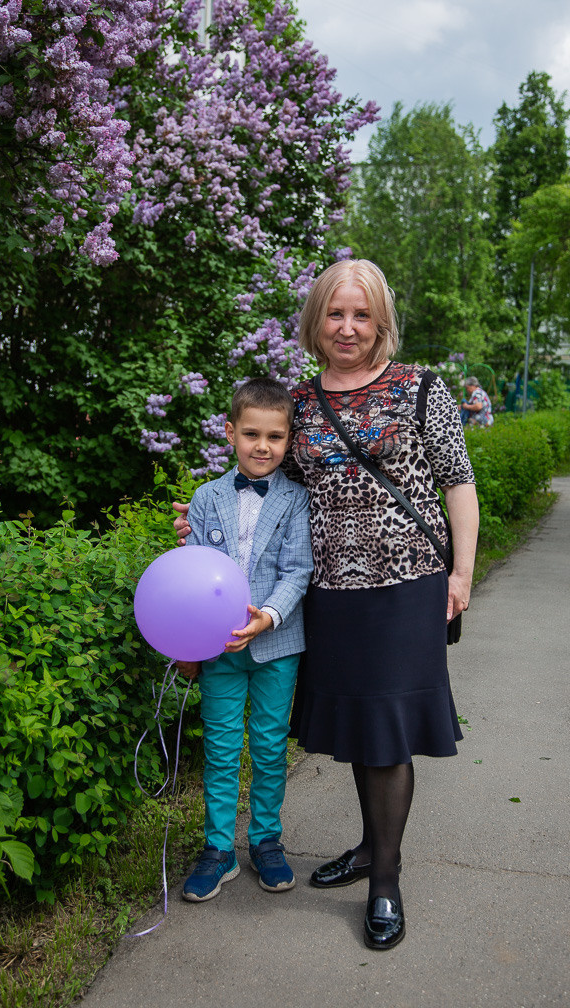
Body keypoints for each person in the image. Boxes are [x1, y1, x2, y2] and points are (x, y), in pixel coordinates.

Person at [175, 259, 479, 951]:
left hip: (406, 584)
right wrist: (201, 518)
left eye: (361, 315)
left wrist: (461, 572)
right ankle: (370, 848)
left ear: (380, 322)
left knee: (389, 732)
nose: (348, 327)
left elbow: (457, 483)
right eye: (335, 314)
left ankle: (385, 882)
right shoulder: (301, 404)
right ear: (315, 321)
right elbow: (261, 484)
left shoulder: (421, 388)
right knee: (357, 731)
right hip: (328, 593)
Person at [175, 377, 313, 904]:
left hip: (277, 645)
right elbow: (195, 572)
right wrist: (189, 643)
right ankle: (216, 849)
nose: (262, 447)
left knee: (271, 746)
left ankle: (266, 840)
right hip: (219, 648)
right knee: (222, 747)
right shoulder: (207, 498)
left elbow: (298, 571)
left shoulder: (296, 499)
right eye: (251, 434)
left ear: (288, 440)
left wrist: (269, 616)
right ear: (230, 433)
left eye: (275, 437)